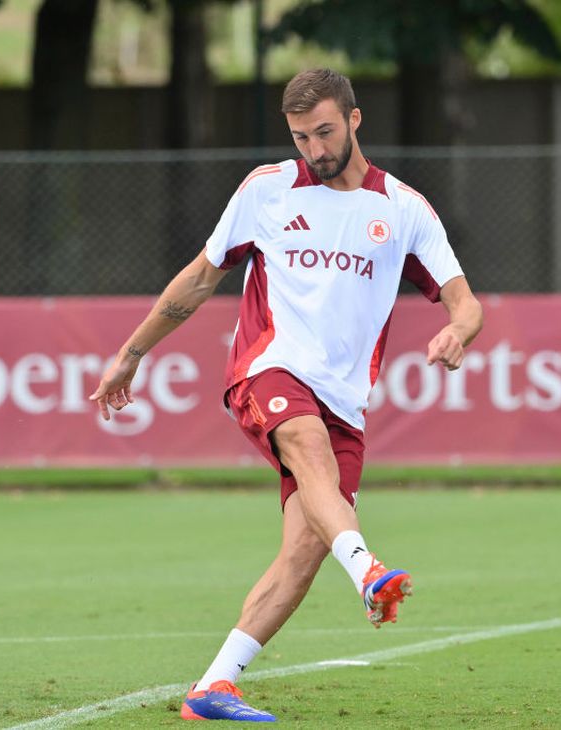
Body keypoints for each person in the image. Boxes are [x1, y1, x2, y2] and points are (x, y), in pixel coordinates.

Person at [89, 68, 483, 723]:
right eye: (301, 137)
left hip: (345, 402)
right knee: (305, 444)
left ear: (354, 120)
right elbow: (199, 278)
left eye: (324, 132)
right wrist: (132, 353)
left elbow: (466, 303)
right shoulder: (267, 190)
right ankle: (368, 572)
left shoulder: (404, 209)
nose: (315, 149)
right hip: (268, 369)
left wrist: (457, 332)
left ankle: (213, 686)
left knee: (304, 550)